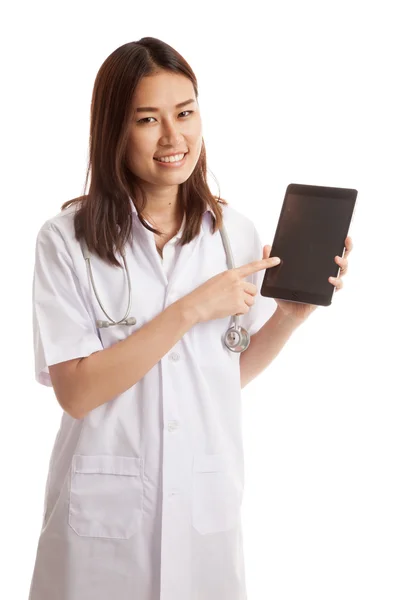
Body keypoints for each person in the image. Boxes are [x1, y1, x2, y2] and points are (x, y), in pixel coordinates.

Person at [29, 37, 352, 600]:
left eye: (185, 113)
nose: (174, 138)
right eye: (148, 120)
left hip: (204, 514)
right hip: (102, 527)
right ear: (113, 131)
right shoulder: (66, 240)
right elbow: (77, 393)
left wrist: (290, 318)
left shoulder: (234, 234)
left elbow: (222, 374)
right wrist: (188, 310)